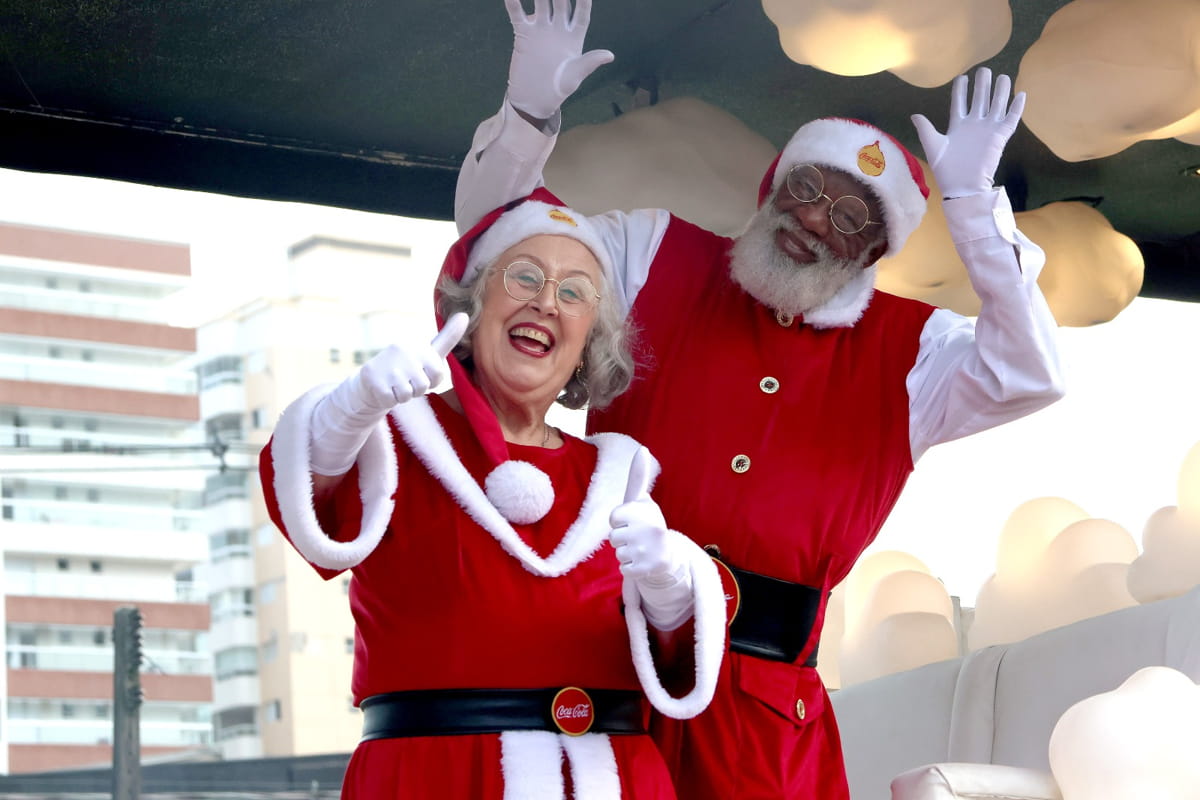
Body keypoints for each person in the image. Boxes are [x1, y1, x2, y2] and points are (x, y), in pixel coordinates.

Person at [452, 2, 1066, 798]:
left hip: (763, 719)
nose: (812, 219)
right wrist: (529, 114)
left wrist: (975, 215)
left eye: (850, 217)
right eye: (806, 186)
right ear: (773, 183)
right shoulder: (651, 250)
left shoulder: (916, 351)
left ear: (875, 252)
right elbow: (503, 248)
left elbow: (1032, 372)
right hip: (604, 665)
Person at [259, 198, 727, 799]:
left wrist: (670, 591)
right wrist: (349, 409)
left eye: (576, 292)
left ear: (590, 341)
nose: (546, 301)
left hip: (614, 779)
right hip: (436, 779)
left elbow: (674, 671)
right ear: (472, 305)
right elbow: (303, 501)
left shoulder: (621, 477)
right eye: (525, 275)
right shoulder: (393, 441)